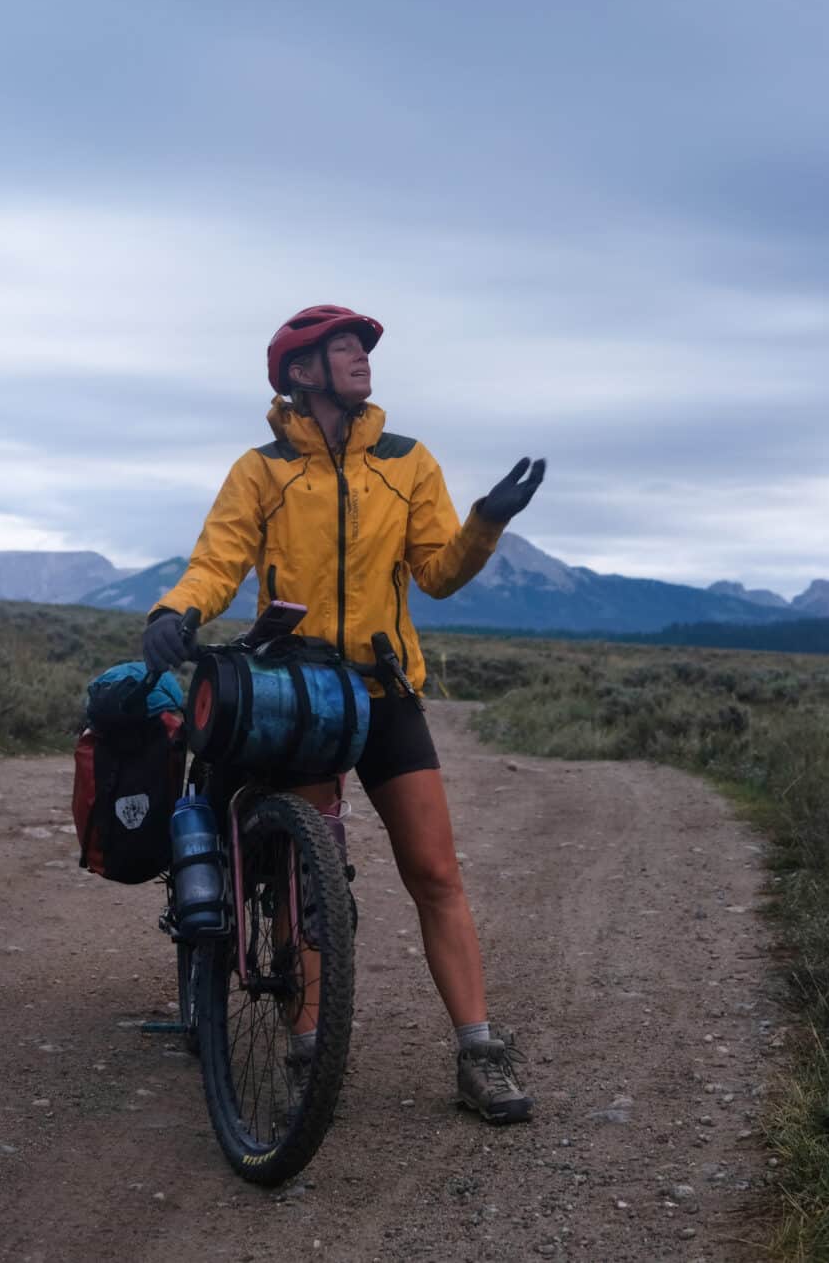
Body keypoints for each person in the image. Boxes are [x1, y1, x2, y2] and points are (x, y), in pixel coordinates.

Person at [142, 304, 546, 1124]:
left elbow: (435, 573)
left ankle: (479, 1052)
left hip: (386, 690)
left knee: (435, 871)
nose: (362, 358)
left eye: (363, 347)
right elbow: (216, 560)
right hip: (299, 687)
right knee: (305, 878)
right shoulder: (262, 469)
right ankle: (305, 1051)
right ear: (300, 372)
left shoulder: (407, 463)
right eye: (342, 348)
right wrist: (174, 610)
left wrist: (487, 522)